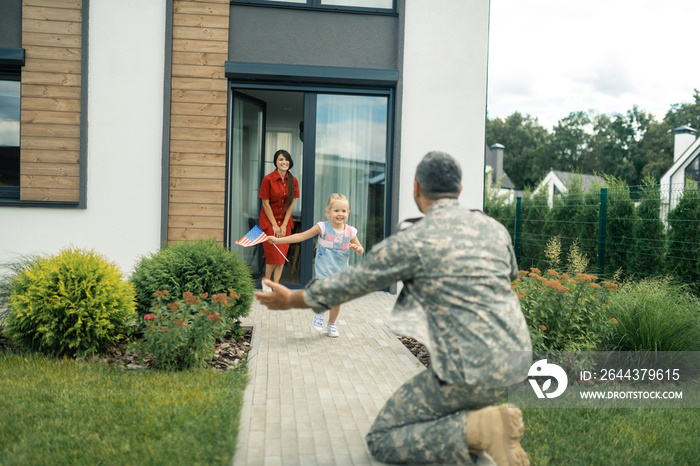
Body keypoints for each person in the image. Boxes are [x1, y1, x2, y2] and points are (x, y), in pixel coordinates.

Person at [255, 151, 532, 465]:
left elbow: (354, 281)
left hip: (467, 365)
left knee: (383, 438)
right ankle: (475, 428)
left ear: (416, 188)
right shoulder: (493, 229)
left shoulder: (415, 238)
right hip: (516, 359)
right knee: (451, 404)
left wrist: (292, 299)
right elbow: (511, 275)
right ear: (460, 191)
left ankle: (479, 427)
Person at [269, 193, 364, 337]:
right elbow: (300, 236)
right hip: (323, 271)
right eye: (336, 211)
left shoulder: (350, 231)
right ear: (328, 212)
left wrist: (358, 249)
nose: (340, 214)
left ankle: (331, 324)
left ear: (348, 213)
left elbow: (360, 250)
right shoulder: (322, 228)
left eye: (344, 211)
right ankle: (319, 313)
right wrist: (278, 240)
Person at [259, 150, 300, 290]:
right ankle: (266, 281)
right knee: (273, 255)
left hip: (285, 223)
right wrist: (274, 225)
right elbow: (265, 203)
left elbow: (291, 204)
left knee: (281, 256)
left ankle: (275, 285)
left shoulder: (293, 181)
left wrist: (283, 225)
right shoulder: (268, 179)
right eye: (281, 159)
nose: (284, 162)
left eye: (286, 160)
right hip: (269, 222)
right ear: (275, 162)